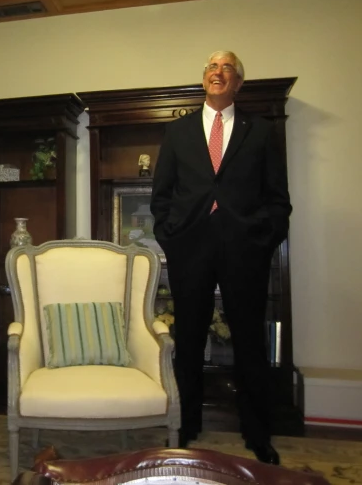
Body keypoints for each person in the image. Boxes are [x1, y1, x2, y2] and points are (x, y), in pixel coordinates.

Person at [151, 51, 291, 465]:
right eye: (212, 66)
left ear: (238, 83)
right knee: (189, 339)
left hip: (244, 248)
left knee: (249, 341)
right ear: (204, 79)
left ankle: (257, 433)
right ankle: (187, 425)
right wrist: (170, 236)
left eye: (227, 67)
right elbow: (162, 195)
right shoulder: (177, 132)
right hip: (190, 247)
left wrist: (264, 239)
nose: (218, 71)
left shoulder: (261, 132)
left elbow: (278, 198)